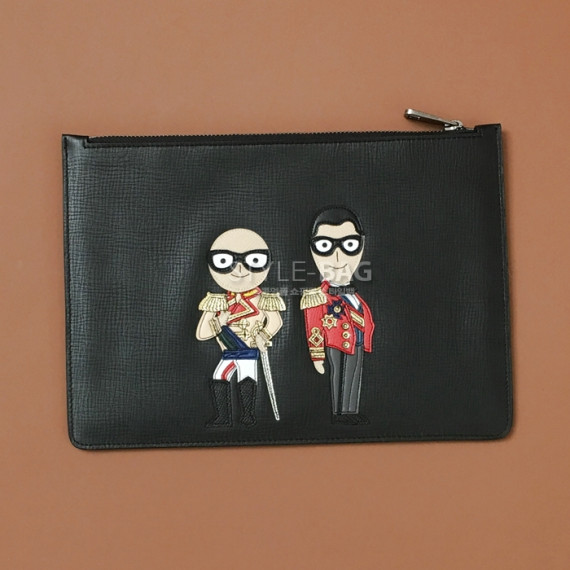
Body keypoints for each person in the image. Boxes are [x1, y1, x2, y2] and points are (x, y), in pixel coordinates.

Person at [196, 228, 285, 427]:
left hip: (248, 349)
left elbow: (275, 322)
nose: (239, 269)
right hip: (228, 350)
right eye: (225, 261)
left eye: (252, 260)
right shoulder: (217, 301)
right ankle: (222, 416)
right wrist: (220, 322)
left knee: (246, 378)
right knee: (219, 377)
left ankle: (247, 416)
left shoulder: (264, 299)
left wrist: (263, 335)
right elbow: (202, 333)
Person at [300, 207, 375, 424]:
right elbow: (314, 326)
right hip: (336, 342)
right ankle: (338, 413)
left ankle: (350, 411)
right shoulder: (317, 296)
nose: (338, 256)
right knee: (339, 376)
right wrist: (317, 356)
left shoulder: (354, 294)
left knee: (354, 375)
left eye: (349, 245)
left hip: (357, 341)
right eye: (325, 246)